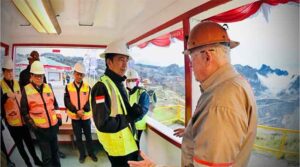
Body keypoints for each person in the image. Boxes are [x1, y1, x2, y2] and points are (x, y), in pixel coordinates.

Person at [128, 21, 257, 167]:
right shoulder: (234, 84)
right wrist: (193, 130)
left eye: (191, 60)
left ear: (207, 57)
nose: (191, 66)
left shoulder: (220, 102)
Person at [91, 41, 143, 167]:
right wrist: (128, 117)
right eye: (121, 60)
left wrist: (133, 111)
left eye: (126, 60)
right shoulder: (101, 87)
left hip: (128, 142)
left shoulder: (119, 83)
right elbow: (103, 123)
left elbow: (121, 110)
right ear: (109, 62)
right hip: (118, 148)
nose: (125, 65)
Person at [18, 51, 66, 159]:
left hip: (53, 127)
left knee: (55, 153)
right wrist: (33, 127)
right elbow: (24, 111)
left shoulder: (48, 86)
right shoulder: (26, 90)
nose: (40, 78)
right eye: (37, 76)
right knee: (47, 157)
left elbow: (55, 104)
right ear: (31, 76)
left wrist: (58, 118)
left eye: (41, 76)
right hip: (40, 129)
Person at [1, 57, 43, 167]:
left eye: (11, 71)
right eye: (7, 71)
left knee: (29, 143)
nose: (10, 73)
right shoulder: (0, 86)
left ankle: (36, 160)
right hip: (12, 124)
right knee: (20, 146)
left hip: (23, 121)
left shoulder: (16, 83)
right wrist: (5, 96)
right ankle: (28, 163)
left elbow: (23, 98)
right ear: (3, 71)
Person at [64, 62, 97, 163]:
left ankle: (91, 153)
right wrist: (76, 111)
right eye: (77, 74)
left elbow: (91, 100)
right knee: (78, 138)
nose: (79, 76)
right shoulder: (68, 87)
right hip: (75, 118)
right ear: (74, 73)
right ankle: (82, 155)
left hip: (86, 117)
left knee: (88, 137)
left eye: (81, 74)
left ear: (84, 75)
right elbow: (67, 101)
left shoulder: (88, 87)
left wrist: (83, 110)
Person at [126, 69, 150, 148]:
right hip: (127, 124)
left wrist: (131, 120)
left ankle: (135, 159)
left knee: (135, 146)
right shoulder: (125, 92)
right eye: (128, 80)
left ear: (137, 81)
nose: (130, 82)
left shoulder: (142, 93)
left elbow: (143, 110)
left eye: (133, 80)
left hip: (138, 125)